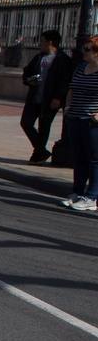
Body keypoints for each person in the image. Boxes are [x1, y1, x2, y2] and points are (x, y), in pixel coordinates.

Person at [21, 30, 73, 164]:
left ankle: (38, 154)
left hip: (50, 99)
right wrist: (28, 79)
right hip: (35, 97)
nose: (40, 44)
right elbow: (27, 72)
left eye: (42, 41)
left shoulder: (63, 59)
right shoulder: (38, 57)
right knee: (26, 122)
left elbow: (65, 81)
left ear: (50, 42)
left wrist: (58, 97)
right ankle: (41, 150)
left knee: (44, 126)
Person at [62, 35, 98, 211]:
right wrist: (68, 107)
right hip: (75, 117)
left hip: (92, 121)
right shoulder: (82, 67)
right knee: (79, 157)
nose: (83, 52)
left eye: (88, 49)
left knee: (94, 159)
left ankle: (91, 196)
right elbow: (72, 87)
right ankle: (77, 192)